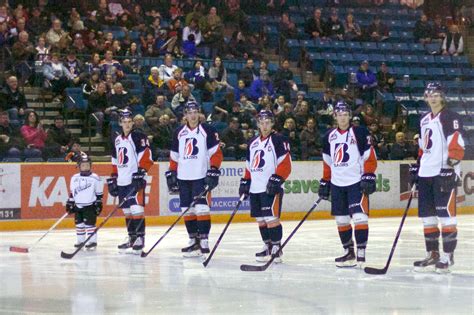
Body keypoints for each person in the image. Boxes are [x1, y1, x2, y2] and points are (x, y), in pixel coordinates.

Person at [410, 83, 465, 273]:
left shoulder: (450, 116)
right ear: (425, 98)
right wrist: (418, 167)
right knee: (428, 218)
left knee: (446, 216)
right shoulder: (424, 119)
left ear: (442, 97)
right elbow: (423, 148)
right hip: (426, 174)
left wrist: (451, 168)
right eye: (429, 94)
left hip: (443, 173)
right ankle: (432, 254)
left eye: (436, 94)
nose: (432, 98)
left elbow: (457, 143)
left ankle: (448, 257)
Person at [318, 101, 377, 268]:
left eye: (345, 114)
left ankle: (361, 253)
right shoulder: (329, 136)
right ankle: (348, 251)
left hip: (356, 182)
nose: (342, 118)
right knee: (342, 220)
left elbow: (369, 156)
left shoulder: (360, 132)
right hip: (337, 184)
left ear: (349, 116)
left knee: (360, 217)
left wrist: (369, 175)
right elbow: (327, 162)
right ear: (334, 116)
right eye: (339, 114)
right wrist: (326, 180)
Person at [166, 101, 223, 257]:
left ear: (199, 113)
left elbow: (216, 153)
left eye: (195, 112)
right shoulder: (179, 132)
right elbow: (174, 156)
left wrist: (214, 170)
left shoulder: (208, 130)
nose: (192, 115)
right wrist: (172, 172)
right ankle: (193, 240)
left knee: (202, 209)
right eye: (189, 112)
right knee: (187, 210)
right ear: (185, 114)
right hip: (183, 177)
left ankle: (204, 241)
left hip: (200, 176)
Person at [239, 110, 292, 263]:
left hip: (270, 188)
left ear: (272, 123)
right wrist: (245, 182)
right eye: (262, 123)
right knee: (261, 219)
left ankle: (276, 247)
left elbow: (285, 164)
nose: (264, 125)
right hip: (255, 188)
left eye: (267, 122)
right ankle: (267, 245)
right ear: (258, 124)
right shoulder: (253, 142)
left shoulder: (279, 140)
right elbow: (249, 166)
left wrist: (277, 179)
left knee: (271, 218)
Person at [107, 109, 153, 254]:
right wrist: (114, 176)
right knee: (127, 211)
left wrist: (141, 172)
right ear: (120, 123)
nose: (127, 124)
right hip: (122, 180)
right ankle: (132, 237)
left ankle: (140, 238)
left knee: (136, 208)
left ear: (132, 122)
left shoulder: (138, 136)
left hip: (134, 179)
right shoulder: (117, 139)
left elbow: (147, 155)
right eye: (124, 122)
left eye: (129, 122)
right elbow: (115, 161)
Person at [66, 154, 103, 250]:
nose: (85, 167)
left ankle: (92, 242)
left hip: (89, 206)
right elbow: (72, 192)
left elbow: (99, 193)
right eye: (83, 165)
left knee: (90, 225)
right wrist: (70, 202)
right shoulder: (74, 177)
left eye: (87, 165)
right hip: (78, 206)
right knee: (79, 224)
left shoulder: (95, 178)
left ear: (90, 166)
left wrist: (98, 203)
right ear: (79, 166)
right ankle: (80, 241)